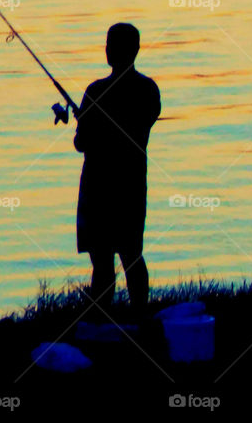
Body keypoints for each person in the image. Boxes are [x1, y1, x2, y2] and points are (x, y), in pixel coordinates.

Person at [74, 23, 160, 318]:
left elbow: (81, 143)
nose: (108, 50)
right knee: (131, 254)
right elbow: (139, 128)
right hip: (132, 185)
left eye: (111, 45)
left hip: (99, 187)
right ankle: (139, 316)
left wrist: (87, 119)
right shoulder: (148, 90)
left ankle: (101, 319)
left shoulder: (95, 91)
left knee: (104, 262)